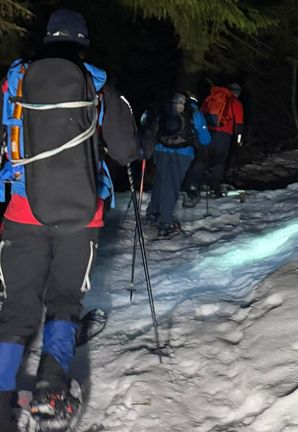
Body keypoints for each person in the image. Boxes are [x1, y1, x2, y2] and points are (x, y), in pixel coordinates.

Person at [0, 8, 140, 430]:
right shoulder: (97, 84)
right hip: (82, 216)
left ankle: (3, 399)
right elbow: (125, 149)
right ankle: (51, 391)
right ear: (83, 41)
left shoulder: (15, 81)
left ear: (47, 37)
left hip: (23, 213)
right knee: (65, 300)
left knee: (16, 309)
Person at [145, 92, 211, 237]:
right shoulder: (194, 113)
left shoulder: (164, 109)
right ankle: (165, 222)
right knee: (172, 185)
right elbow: (206, 139)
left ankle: (152, 213)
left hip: (160, 149)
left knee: (160, 181)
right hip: (182, 153)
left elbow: (153, 128)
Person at [184, 83, 244, 207]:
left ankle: (193, 185)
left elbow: (200, 114)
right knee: (219, 161)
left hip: (206, 132)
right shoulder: (235, 102)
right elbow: (239, 124)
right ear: (237, 92)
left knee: (201, 159)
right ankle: (212, 187)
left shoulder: (211, 97)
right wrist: (238, 139)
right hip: (224, 135)